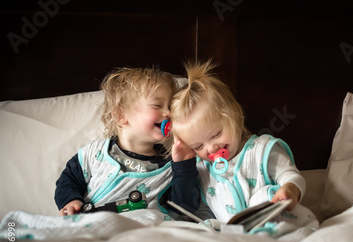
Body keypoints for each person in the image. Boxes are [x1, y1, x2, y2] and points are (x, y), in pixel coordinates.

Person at [169, 61, 318, 231]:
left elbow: (292, 176)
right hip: (235, 236)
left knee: (262, 198)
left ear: (234, 115)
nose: (211, 149)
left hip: (277, 221)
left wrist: (289, 189)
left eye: (216, 135)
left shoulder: (262, 150)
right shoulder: (203, 170)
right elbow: (194, 211)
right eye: (198, 146)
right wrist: (182, 166)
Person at [54, 66, 200, 217]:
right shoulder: (95, 153)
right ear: (120, 115)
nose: (168, 113)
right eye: (157, 105)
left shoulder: (171, 164)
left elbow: (184, 210)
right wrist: (71, 201)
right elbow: (67, 180)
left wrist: (184, 167)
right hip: (95, 223)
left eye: (170, 107)